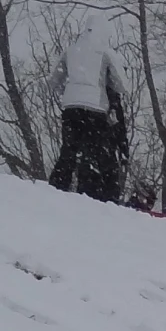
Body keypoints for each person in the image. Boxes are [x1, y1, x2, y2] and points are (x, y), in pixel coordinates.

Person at [49, 24, 129, 202]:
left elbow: (54, 80)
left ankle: (56, 188)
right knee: (91, 154)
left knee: (68, 151)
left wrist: (68, 92)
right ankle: (86, 194)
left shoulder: (70, 51)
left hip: (71, 108)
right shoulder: (105, 52)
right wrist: (106, 87)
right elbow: (122, 85)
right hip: (96, 108)